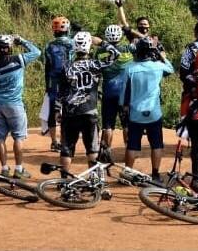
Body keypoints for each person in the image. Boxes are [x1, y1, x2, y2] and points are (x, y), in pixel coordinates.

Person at [56, 32, 118, 171]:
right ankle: (93, 179)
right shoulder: (95, 64)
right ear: (89, 47)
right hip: (89, 111)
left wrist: (56, 109)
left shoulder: (66, 67)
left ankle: (65, 181)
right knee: (92, 148)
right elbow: (115, 54)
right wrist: (102, 43)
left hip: (69, 112)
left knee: (67, 148)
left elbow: (60, 91)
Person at [0, 34, 41, 179]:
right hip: (15, 105)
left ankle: (4, 169)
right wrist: (21, 40)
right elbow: (37, 52)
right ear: (9, 48)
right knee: (18, 138)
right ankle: (19, 169)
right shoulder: (18, 60)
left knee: (1, 138)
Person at [121, 37, 174, 181]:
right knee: (156, 144)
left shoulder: (129, 68)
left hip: (135, 113)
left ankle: (128, 174)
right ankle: (155, 174)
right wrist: (161, 55)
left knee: (132, 146)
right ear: (151, 52)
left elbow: (124, 92)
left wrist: (124, 108)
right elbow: (171, 69)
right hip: (154, 113)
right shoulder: (157, 66)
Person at [97, 24, 134, 151]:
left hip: (108, 91)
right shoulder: (128, 50)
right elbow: (139, 43)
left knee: (108, 125)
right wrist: (128, 30)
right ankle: (129, 150)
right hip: (125, 93)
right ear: (121, 36)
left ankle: (106, 151)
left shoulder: (100, 52)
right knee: (126, 124)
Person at [44, 16, 73, 152]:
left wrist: (47, 86)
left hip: (53, 81)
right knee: (66, 110)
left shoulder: (49, 46)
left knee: (52, 111)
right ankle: (64, 140)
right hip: (68, 80)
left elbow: (47, 67)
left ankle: (54, 142)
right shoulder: (72, 43)